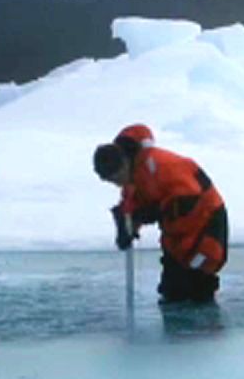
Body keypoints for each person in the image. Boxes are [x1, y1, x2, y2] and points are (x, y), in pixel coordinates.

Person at [93, 124, 229, 304]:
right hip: (176, 232)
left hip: (207, 220)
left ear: (125, 162)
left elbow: (189, 198)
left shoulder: (162, 165)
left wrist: (154, 212)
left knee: (198, 279)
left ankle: (204, 327)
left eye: (118, 178)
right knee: (172, 289)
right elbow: (133, 205)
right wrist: (127, 226)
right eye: (112, 182)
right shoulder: (132, 179)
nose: (118, 184)